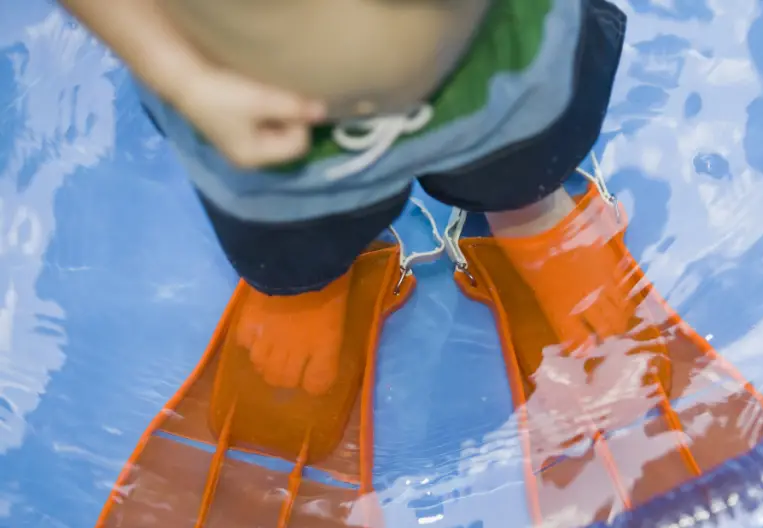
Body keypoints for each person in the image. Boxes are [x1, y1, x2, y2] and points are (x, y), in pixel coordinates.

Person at [59, 0, 629, 396]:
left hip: (488, 54)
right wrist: (179, 75)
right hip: (256, 99)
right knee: (285, 223)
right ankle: (306, 284)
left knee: (523, 149)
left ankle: (528, 213)